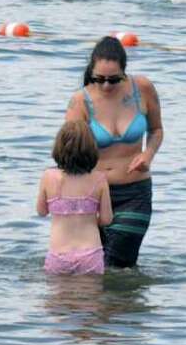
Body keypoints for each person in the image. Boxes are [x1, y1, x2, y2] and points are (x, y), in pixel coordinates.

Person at [63, 35, 162, 269]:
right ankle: (120, 305)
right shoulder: (80, 101)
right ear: (91, 72)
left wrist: (148, 154)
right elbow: (69, 155)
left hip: (135, 192)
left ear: (125, 72)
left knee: (118, 263)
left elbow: (156, 130)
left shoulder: (143, 89)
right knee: (95, 267)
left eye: (114, 80)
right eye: (100, 79)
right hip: (94, 194)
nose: (106, 85)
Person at [36, 117, 113, 275]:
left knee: (59, 299)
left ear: (59, 147)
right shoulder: (99, 179)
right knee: (90, 299)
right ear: (91, 149)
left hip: (59, 253)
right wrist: (88, 219)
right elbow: (107, 219)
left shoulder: (48, 176)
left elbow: (41, 211)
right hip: (90, 253)